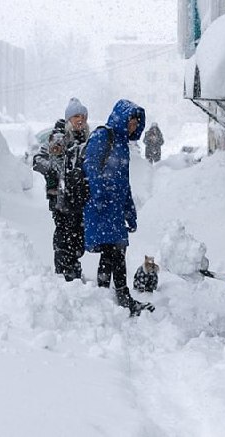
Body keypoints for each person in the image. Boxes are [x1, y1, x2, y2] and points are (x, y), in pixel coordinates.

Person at [83, 99, 154, 316]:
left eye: (136, 123)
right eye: (131, 121)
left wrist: (129, 212)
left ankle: (108, 296)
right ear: (122, 119)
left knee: (114, 251)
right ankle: (120, 297)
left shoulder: (122, 145)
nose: (134, 125)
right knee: (114, 250)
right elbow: (90, 168)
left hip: (114, 208)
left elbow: (124, 183)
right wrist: (99, 197)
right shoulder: (103, 136)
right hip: (101, 206)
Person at [32, 98, 90, 282]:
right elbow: (38, 160)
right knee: (65, 235)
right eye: (76, 116)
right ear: (69, 119)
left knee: (78, 237)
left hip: (79, 198)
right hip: (61, 198)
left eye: (83, 116)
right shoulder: (59, 137)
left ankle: (72, 269)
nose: (80, 120)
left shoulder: (86, 138)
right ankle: (64, 272)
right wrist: (57, 171)